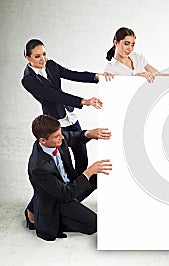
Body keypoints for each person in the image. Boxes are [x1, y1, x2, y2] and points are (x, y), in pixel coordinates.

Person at [22, 39, 114, 222]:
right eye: (37, 56)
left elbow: (72, 74)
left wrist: (97, 76)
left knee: (82, 162)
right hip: (55, 124)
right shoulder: (28, 80)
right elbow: (53, 95)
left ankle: (70, 199)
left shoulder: (52, 65)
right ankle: (32, 210)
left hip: (70, 117)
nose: (43, 59)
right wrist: (84, 101)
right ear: (28, 58)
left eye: (44, 54)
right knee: (58, 171)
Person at [26, 114, 112, 241]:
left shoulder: (55, 138)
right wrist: (88, 172)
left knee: (100, 175)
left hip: (67, 187)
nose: (62, 137)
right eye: (57, 136)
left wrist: (89, 134)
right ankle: (42, 219)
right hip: (59, 198)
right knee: (93, 225)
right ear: (42, 140)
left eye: (60, 133)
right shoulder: (39, 168)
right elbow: (65, 194)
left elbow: (71, 136)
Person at [105, 27, 169, 83]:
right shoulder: (110, 69)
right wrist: (137, 77)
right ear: (116, 43)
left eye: (133, 44)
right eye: (126, 44)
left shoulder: (137, 57)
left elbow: (160, 75)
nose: (130, 48)